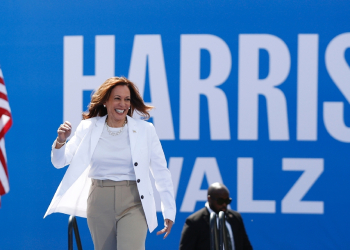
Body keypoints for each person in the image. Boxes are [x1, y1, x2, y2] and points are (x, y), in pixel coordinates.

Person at [44, 77, 176, 250]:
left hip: (134, 202)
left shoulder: (146, 130)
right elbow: (59, 162)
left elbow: (161, 172)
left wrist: (169, 210)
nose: (123, 104)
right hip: (99, 201)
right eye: (117, 98)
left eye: (127, 99)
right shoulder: (88, 127)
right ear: (106, 101)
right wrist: (61, 141)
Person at [179, 182, 252, 250]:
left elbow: (246, 246)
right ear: (209, 199)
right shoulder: (195, 221)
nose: (224, 204)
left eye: (227, 201)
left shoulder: (236, 217)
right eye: (220, 201)